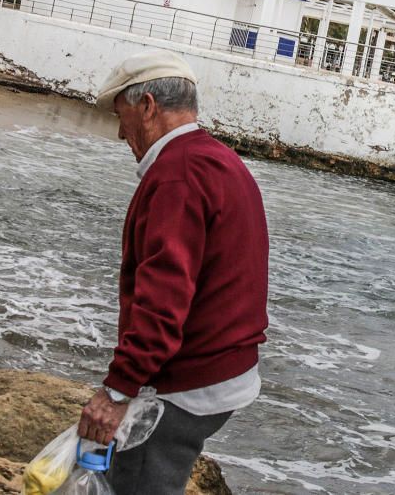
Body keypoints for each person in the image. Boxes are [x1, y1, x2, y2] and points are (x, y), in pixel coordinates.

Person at [77, 49, 269, 494]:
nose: (120, 131)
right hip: (228, 370)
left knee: (138, 483)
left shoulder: (177, 176)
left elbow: (164, 299)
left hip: (187, 380)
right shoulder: (220, 160)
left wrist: (118, 391)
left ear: (147, 106)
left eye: (120, 115)